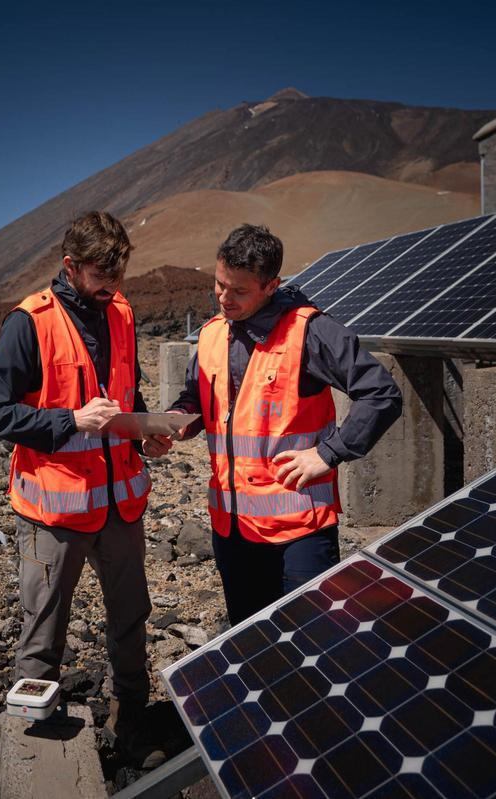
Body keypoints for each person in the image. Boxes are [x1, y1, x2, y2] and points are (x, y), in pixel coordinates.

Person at [0, 211, 170, 758]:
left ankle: (131, 724)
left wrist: (142, 435)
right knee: (43, 633)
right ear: (71, 266)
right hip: (54, 513)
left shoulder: (123, 313)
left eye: (120, 272)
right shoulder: (29, 321)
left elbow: (124, 397)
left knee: (131, 620)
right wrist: (69, 421)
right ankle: (34, 747)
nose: (112, 285)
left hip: (121, 506)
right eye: (101, 273)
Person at [168, 224, 403, 625]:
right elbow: (196, 398)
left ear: (271, 285)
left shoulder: (309, 331)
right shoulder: (209, 335)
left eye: (239, 291)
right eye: (219, 285)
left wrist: (329, 453)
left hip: (300, 531)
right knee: (248, 638)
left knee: (308, 642)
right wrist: (177, 421)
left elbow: (382, 394)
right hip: (232, 528)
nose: (224, 298)